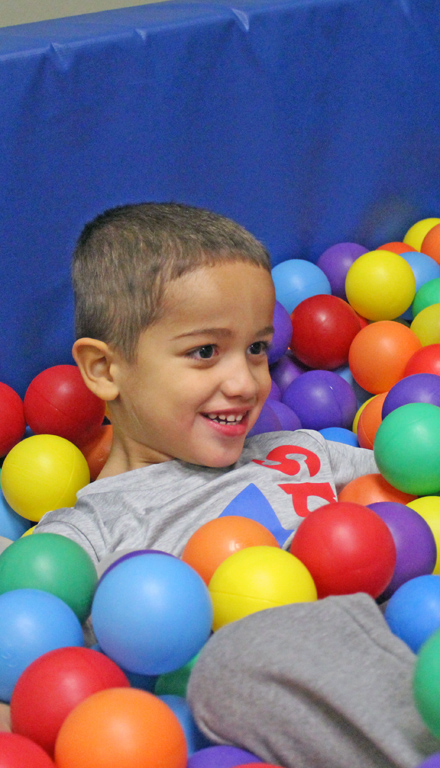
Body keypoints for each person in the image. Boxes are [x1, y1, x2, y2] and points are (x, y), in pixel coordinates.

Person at [2, 202, 438, 766]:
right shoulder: (85, 538)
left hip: (405, 629)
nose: (245, 381)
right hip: (290, 696)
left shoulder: (298, 450)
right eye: (205, 352)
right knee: (233, 658)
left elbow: (411, 488)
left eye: (257, 348)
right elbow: (41, 669)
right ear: (106, 371)